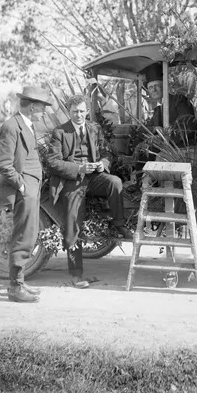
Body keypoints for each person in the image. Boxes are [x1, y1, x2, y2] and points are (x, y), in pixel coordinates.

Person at [47, 94, 130, 289]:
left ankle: (119, 224)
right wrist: (78, 169)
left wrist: (102, 164)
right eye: (75, 112)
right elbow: (52, 162)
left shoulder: (94, 129)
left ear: (86, 111)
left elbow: (106, 153)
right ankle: (76, 274)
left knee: (115, 182)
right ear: (69, 112)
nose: (79, 115)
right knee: (73, 219)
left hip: (93, 177)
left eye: (82, 111)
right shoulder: (60, 132)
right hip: (71, 180)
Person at [0, 86, 52, 303]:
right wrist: (21, 186)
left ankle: (20, 281)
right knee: (22, 236)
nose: (44, 112)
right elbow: (3, 164)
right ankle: (15, 287)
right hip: (23, 191)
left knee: (29, 235)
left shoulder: (26, 125)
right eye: (42, 108)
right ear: (32, 106)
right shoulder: (11, 127)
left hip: (31, 189)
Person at [142, 63, 197, 143]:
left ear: (165, 86)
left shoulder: (179, 100)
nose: (154, 90)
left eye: (157, 85)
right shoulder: (157, 109)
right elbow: (145, 129)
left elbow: (189, 127)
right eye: (150, 87)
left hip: (181, 150)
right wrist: (155, 129)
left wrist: (165, 138)